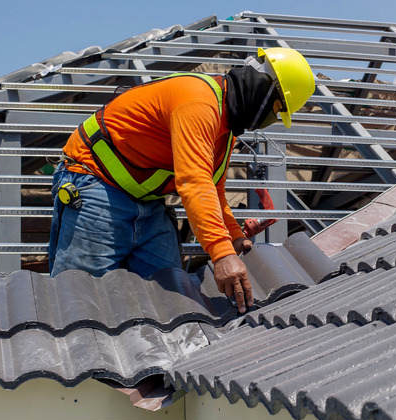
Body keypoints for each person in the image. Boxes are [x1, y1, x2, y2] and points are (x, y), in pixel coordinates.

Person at [48, 47, 315, 313]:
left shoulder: (225, 126)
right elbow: (194, 182)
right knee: (82, 300)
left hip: (147, 202)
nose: (270, 120)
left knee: (170, 300)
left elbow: (214, 187)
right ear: (264, 90)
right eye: (277, 110)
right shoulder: (198, 101)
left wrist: (233, 236)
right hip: (95, 185)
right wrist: (221, 254)